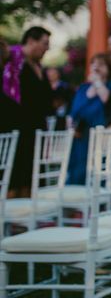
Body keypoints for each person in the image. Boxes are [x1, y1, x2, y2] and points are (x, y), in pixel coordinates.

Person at [2, 26, 53, 197]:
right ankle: (9, 219)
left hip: (35, 128)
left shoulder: (38, 66)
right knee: (14, 174)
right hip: (16, 127)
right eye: (44, 43)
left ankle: (27, 219)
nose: (47, 48)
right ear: (31, 41)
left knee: (31, 175)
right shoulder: (12, 61)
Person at [67, 53, 111, 184]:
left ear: (109, 69)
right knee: (75, 170)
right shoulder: (83, 88)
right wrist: (71, 125)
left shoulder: (109, 86)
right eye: (93, 63)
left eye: (101, 64)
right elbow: (72, 111)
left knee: (95, 173)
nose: (96, 66)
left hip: (98, 137)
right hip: (79, 136)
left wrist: (97, 81)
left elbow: (106, 99)